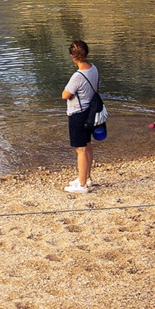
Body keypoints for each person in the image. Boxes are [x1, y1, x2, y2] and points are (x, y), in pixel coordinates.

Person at [62, 39, 100, 193]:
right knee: (87, 145)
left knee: (80, 150)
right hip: (89, 113)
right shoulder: (94, 68)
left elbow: (65, 95)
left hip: (77, 114)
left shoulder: (77, 76)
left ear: (73, 57)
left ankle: (82, 185)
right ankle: (86, 178)